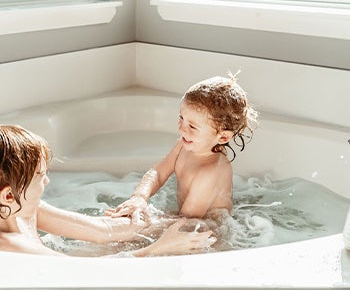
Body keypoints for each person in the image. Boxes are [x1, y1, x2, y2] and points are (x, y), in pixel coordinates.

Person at [0, 125, 216, 257]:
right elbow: (80, 274)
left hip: (61, 267)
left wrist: (172, 222)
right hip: (62, 284)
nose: (47, 181)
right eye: (40, 176)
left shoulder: (22, 209)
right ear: (9, 195)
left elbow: (102, 230)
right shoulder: (11, 247)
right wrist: (160, 247)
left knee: (117, 246)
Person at [105, 72, 257, 221]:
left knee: (135, 231)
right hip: (186, 217)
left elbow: (187, 220)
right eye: (181, 118)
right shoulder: (185, 144)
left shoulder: (210, 172)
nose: (181, 129)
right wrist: (139, 198)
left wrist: (150, 218)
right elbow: (157, 173)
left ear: (223, 136)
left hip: (209, 231)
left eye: (192, 126)